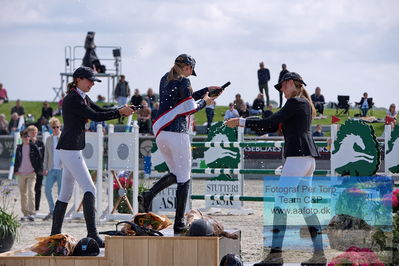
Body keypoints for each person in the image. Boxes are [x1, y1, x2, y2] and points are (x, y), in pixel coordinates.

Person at [225, 72, 326, 266]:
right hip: (308, 160)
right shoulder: (304, 103)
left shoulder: (295, 103)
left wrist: (241, 122)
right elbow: (271, 126)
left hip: (296, 159)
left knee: (280, 205)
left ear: (289, 84)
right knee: (306, 207)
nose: (281, 91)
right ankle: (319, 255)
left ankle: (276, 254)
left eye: (282, 87)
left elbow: (269, 122)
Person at [50, 66, 134, 247]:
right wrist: (120, 112)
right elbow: (95, 116)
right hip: (70, 150)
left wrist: (122, 108)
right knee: (90, 189)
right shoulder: (73, 99)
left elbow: (99, 108)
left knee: (65, 194)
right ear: (78, 79)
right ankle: (93, 234)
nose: (92, 84)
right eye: (90, 81)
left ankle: (54, 235)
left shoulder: (82, 96)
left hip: (71, 149)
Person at [138, 54, 220, 234]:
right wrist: (206, 102)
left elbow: (182, 100)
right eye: (191, 70)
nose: (191, 73)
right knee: (185, 178)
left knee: (176, 173)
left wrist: (206, 89)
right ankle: (179, 222)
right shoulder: (184, 82)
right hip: (177, 134)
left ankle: (148, 195)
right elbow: (190, 108)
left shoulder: (164, 79)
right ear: (188, 68)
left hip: (161, 134)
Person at [14, 130, 42, 222]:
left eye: (28, 136)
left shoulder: (33, 147)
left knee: (31, 192)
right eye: (25, 137)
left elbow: (39, 158)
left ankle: (32, 213)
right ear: (21, 137)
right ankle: (25, 213)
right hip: (21, 174)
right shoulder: (19, 148)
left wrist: (37, 169)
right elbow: (17, 160)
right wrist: (16, 170)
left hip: (31, 173)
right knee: (23, 194)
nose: (27, 138)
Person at [43, 117, 63, 221]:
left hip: (61, 169)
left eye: (57, 127)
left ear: (60, 127)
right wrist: (45, 167)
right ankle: (52, 210)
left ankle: (59, 213)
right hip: (51, 168)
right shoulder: (48, 139)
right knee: (47, 190)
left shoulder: (63, 137)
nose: (55, 129)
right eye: (53, 127)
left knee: (61, 193)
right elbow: (46, 155)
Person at [26, 125, 45, 212]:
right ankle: (30, 207)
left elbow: (44, 157)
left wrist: (44, 168)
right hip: (29, 170)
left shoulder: (40, 143)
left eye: (35, 132)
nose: (33, 133)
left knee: (38, 189)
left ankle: (36, 208)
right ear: (28, 134)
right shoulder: (27, 144)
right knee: (29, 190)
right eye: (31, 132)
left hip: (39, 170)